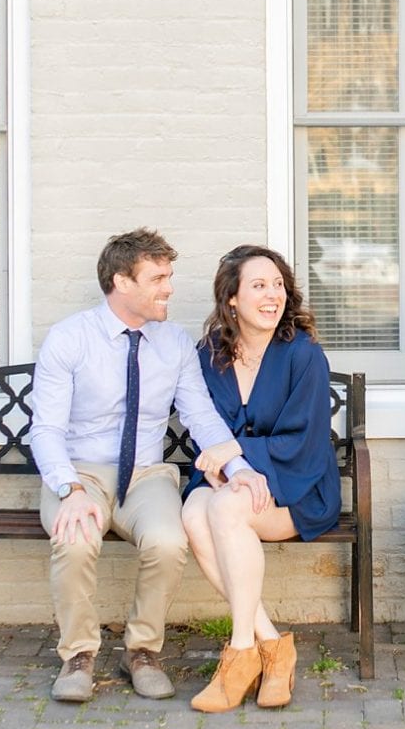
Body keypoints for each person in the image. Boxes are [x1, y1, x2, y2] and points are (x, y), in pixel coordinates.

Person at [31, 228, 246, 704]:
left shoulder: (173, 344)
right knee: (75, 537)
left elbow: (199, 415)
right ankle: (78, 656)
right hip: (80, 473)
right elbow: (45, 430)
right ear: (121, 282)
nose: (168, 287)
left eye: (169, 276)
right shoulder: (69, 339)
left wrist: (237, 466)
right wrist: (70, 490)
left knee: (170, 542)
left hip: (146, 475)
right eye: (157, 278)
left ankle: (143, 651)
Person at [181, 245, 341, 712]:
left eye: (278, 285)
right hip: (230, 481)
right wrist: (232, 464)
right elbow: (205, 428)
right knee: (193, 515)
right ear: (231, 298)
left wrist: (239, 451)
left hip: (299, 487)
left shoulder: (303, 353)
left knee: (227, 510)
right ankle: (272, 647)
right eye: (258, 285)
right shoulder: (210, 354)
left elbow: (306, 441)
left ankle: (239, 651)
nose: (273, 295)